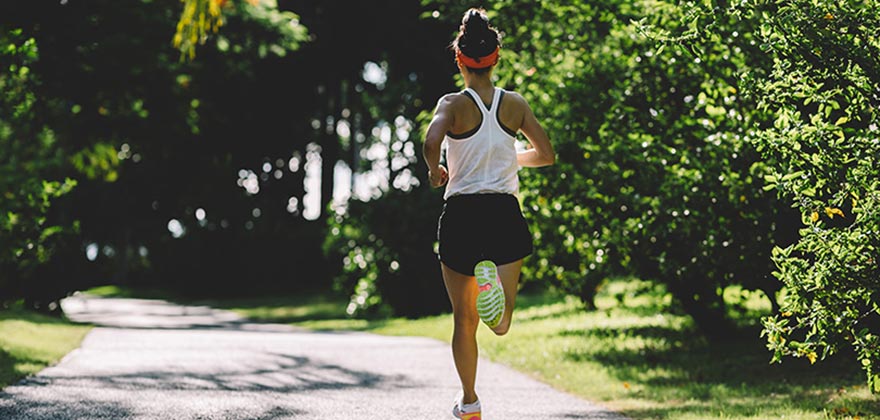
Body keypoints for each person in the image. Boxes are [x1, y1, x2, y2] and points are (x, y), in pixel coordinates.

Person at [422, 8, 555, 419]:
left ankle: (470, 402)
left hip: (462, 213)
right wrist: (508, 158)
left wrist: (435, 170)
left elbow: (431, 141)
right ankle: (493, 297)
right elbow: (546, 155)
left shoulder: (452, 104)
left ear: (459, 60)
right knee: (501, 323)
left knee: (464, 321)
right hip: (503, 212)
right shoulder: (513, 104)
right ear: (496, 58)